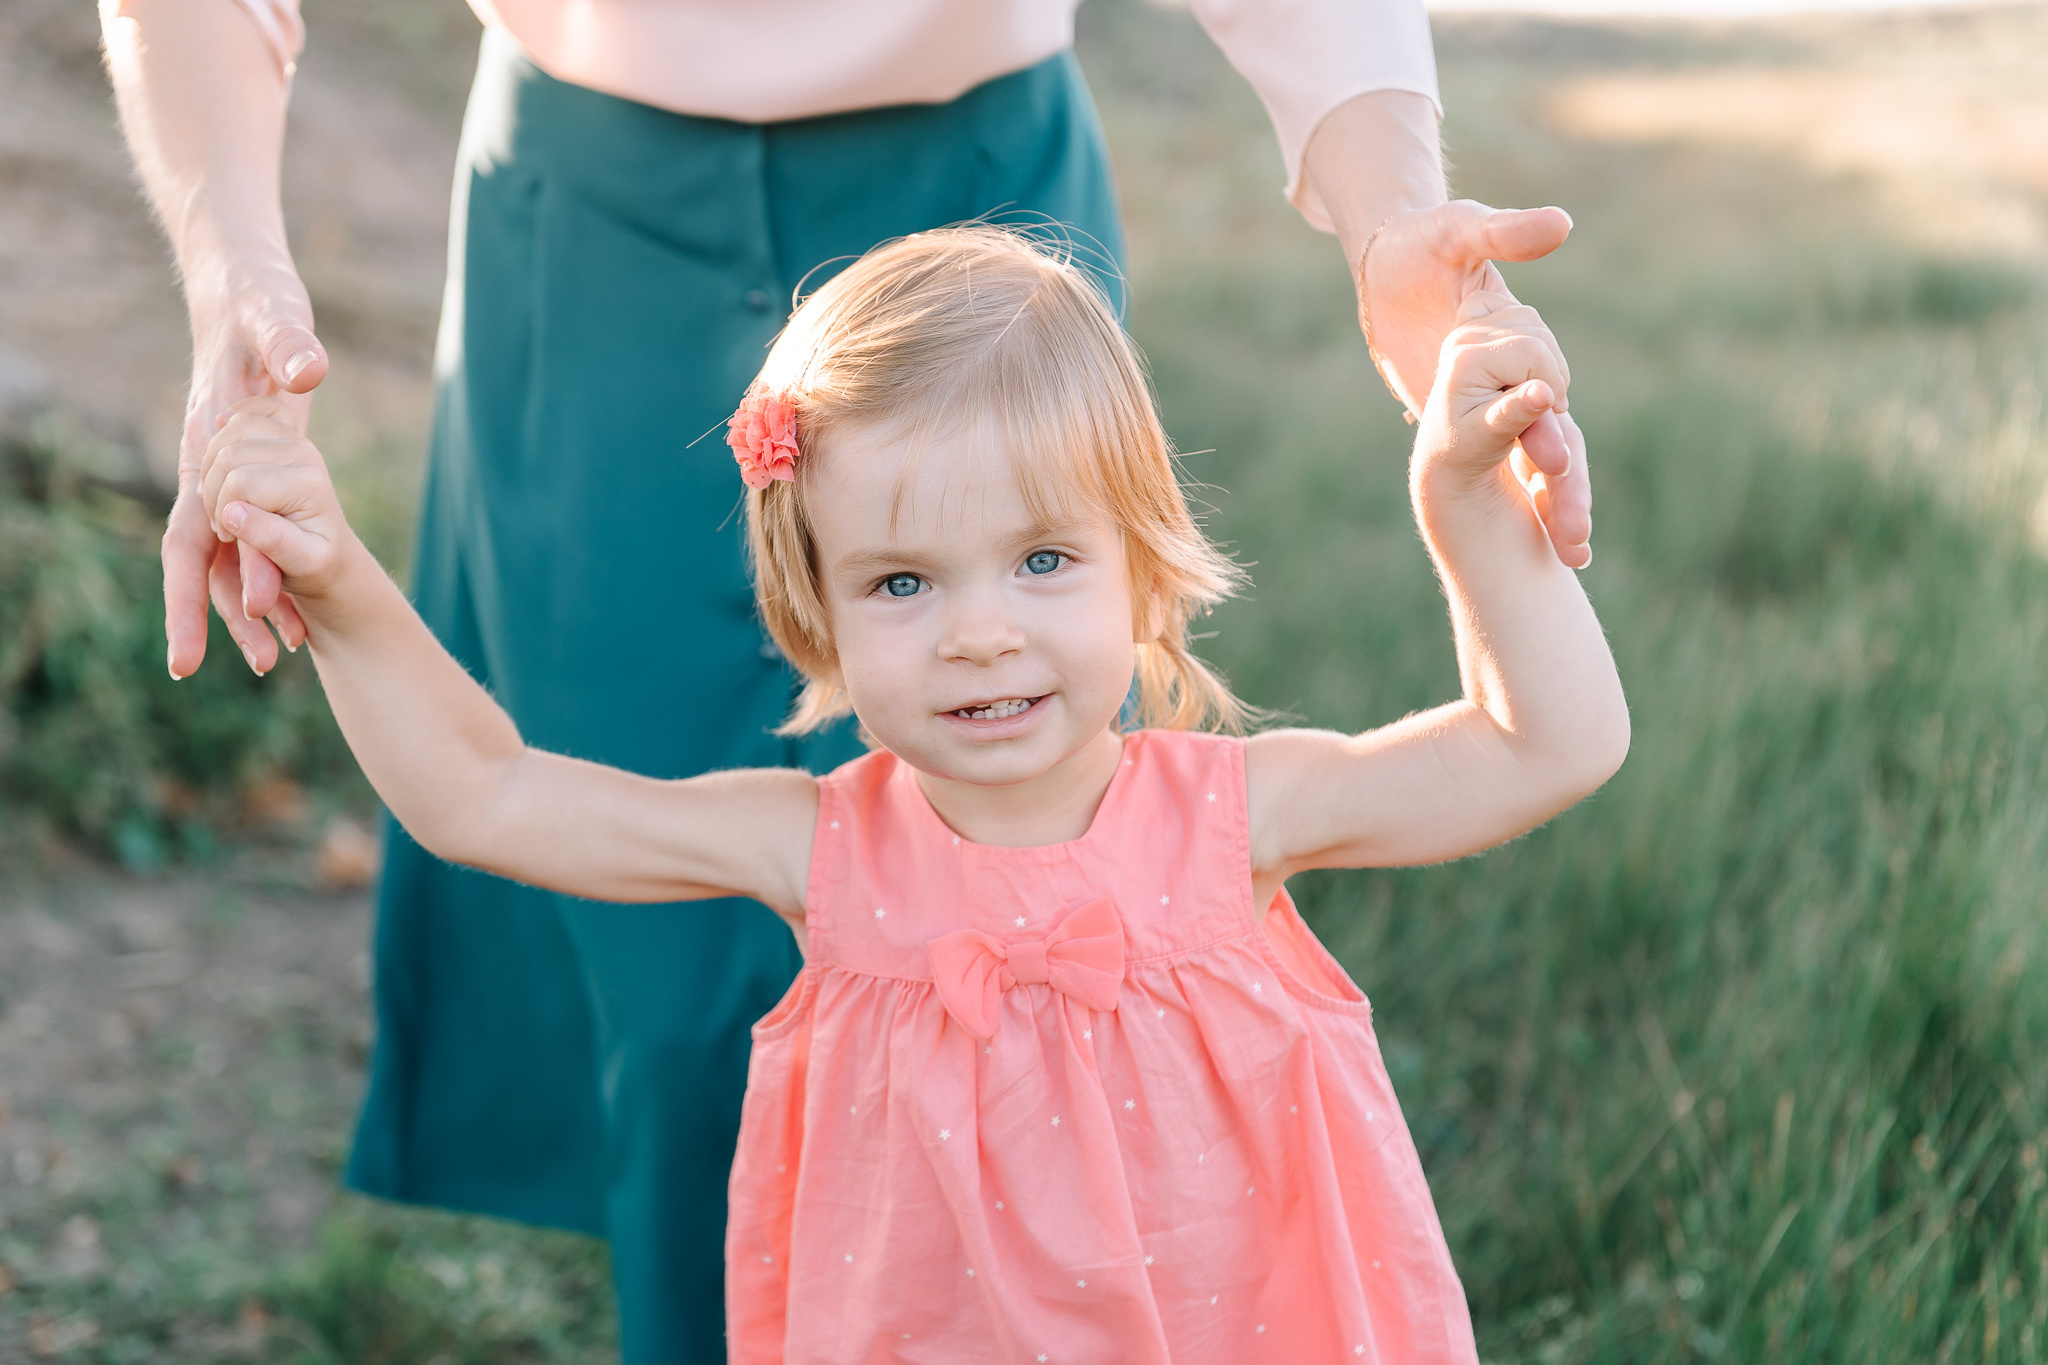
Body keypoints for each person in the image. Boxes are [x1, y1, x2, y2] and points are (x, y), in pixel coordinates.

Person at [102, 1, 1594, 1355]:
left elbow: (1548, 744)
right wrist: (344, 590)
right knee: (670, 1036)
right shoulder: (819, 845)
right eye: (898, 582)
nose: (978, 632)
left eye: (1045, 563)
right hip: (592, 184)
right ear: (809, 621)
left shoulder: (1232, 813)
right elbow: (490, 793)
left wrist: (1473, 512)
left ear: (1147, 566)